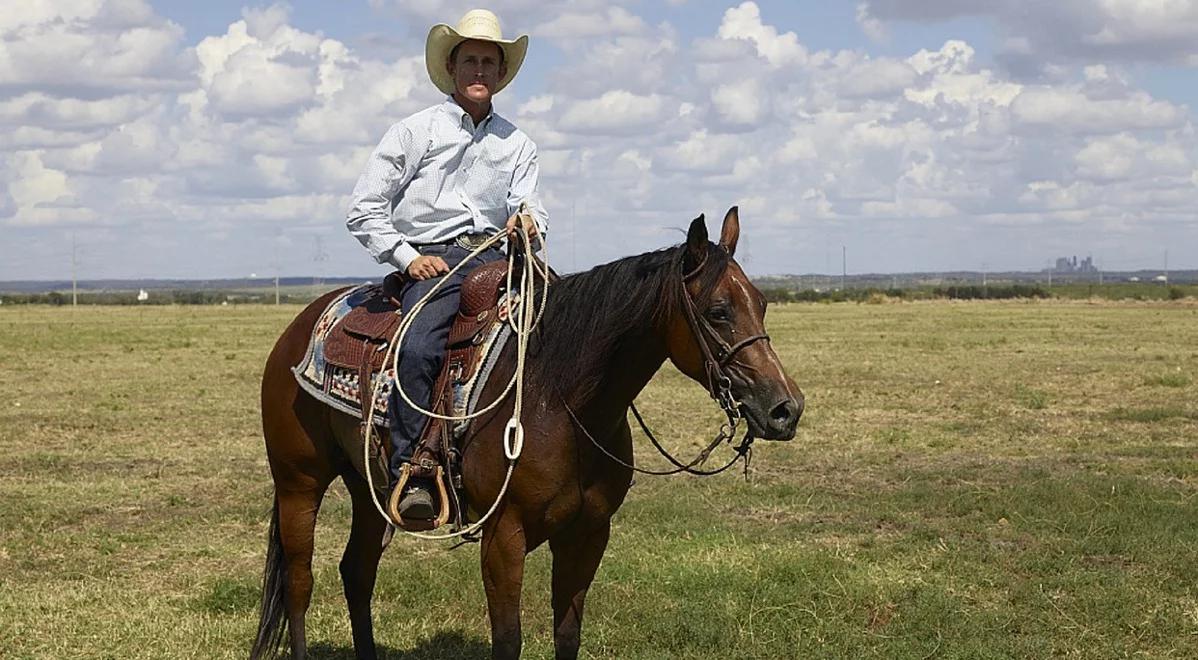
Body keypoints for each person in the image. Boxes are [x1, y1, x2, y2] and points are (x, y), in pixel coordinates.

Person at [345, 9, 548, 521]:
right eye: (470, 61)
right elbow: (364, 207)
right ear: (452, 69)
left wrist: (528, 224)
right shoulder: (415, 132)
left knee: (560, 335)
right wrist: (408, 259)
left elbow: (529, 203)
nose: (479, 71)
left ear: (500, 74)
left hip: (500, 258)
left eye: (489, 62)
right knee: (418, 347)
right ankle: (413, 469)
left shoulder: (518, 143)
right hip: (435, 260)